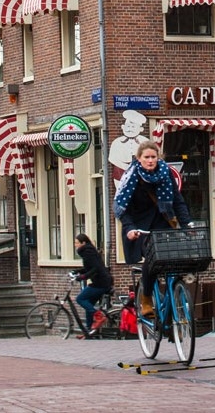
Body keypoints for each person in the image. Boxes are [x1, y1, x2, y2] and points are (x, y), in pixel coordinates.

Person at [113, 139, 191, 315]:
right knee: (152, 259)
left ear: (159, 158)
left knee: (174, 258)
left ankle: (174, 299)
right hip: (140, 227)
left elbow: (177, 201)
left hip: (163, 223)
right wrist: (130, 228)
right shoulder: (131, 176)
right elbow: (123, 208)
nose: (150, 160)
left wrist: (187, 224)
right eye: (146, 157)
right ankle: (146, 298)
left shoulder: (165, 173)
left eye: (153, 157)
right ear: (139, 158)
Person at [73, 233, 113, 335]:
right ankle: (89, 331)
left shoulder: (88, 252)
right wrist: (77, 271)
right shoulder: (88, 251)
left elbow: (95, 269)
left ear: (83, 243)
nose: (75, 245)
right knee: (88, 304)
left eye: (77, 243)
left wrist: (83, 277)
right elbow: (90, 268)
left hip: (101, 283)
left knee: (80, 299)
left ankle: (99, 316)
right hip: (101, 282)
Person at [108, 109, 149, 187]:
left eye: (133, 127)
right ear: (123, 127)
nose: (130, 129)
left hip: (139, 172)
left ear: (141, 129)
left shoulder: (145, 142)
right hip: (120, 172)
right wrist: (125, 167)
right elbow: (112, 158)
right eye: (128, 126)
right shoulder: (117, 142)